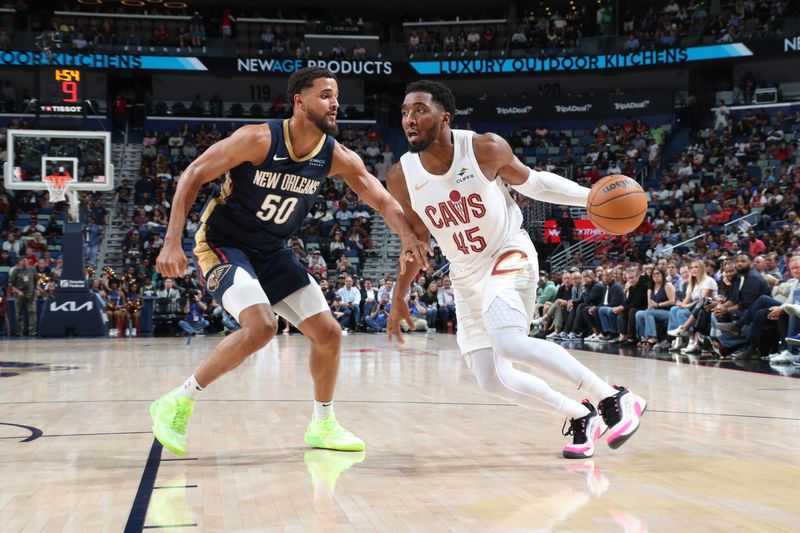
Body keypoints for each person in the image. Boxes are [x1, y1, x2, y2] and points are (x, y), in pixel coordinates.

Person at [150, 67, 428, 456]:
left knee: (329, 334)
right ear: (299, 101)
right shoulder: (259, 139)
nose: (335, 104)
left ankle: (323, 423)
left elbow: (380, 198)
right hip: (223, 243)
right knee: (263, 326)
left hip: (272, 250)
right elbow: (194, 173)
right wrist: (170, 242)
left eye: (336, 97)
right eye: (325, 96)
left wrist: (408, 235)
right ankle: (178, 400)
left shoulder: (334, 155)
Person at [386, 80, 646, 459]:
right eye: (406, 112)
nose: (410, 119)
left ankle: (612, 397)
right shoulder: (401, 175)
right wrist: (399, 295)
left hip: (508, 252)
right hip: (465, 275)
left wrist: (587, 199)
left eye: (420, 110)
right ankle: (580, 416)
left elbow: (535, 183)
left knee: (508, 341)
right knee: (492, 379)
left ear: (445, 118)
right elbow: (416, 242)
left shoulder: (482, 148)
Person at [9, 256, 36, 336]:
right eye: (22, 261)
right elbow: (10, 284)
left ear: (28, 261)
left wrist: (36, 289)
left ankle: (32, 331)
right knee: (19, 314)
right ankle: (19, 332)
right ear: (19, 262)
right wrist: (18, 291)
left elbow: (36, 280)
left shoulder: (32, 269)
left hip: (30, 294)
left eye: (26, 261)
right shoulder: (15, 270)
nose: (24, 262)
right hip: (19, 295)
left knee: (32, 312)